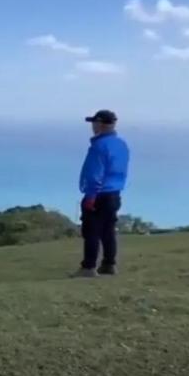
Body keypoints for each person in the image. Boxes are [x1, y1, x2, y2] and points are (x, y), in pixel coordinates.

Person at [76, 109, 130, 277]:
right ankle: (109, 264)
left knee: (91, 231)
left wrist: (91, 196)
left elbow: (95, 173)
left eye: (94, 122)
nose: (92, 126)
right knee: (108, 230)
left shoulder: (99, 146)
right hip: (115, 193)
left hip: (99, 194)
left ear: (100, 124)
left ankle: (88, 267)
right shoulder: (121, 144)